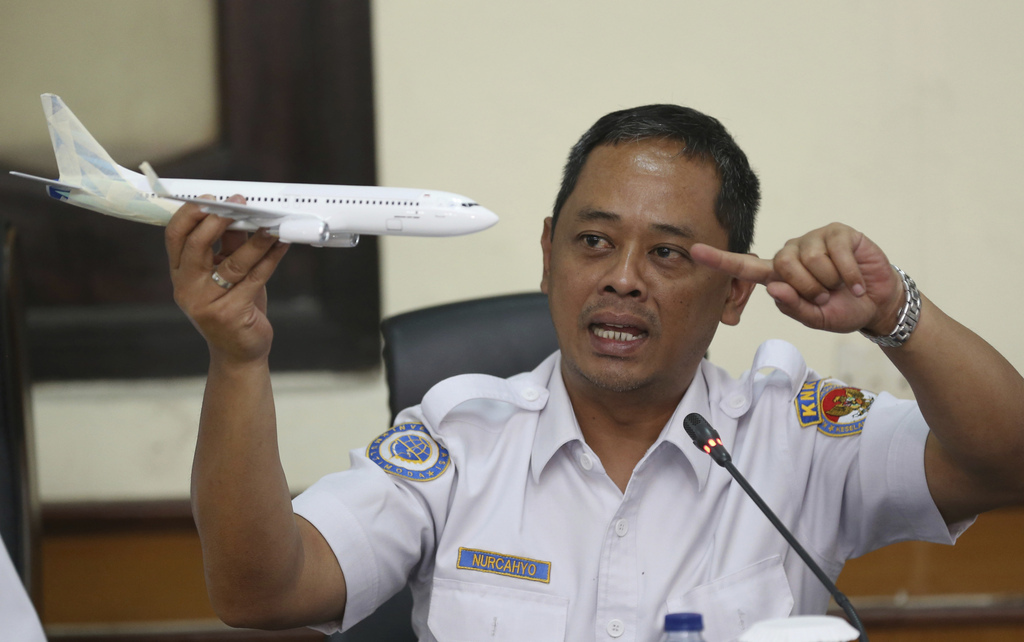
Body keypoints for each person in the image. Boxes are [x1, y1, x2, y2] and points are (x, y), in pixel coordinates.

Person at [166, 104, 1024, 642]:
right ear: (548, 257)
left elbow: (1006, 460)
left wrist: (894, 314)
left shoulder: (793, 433)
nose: (622, 277)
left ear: (733, 294)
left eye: (668, 254)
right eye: (593, 241)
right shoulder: (458, 444)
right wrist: (239, 360)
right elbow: (257, 592)